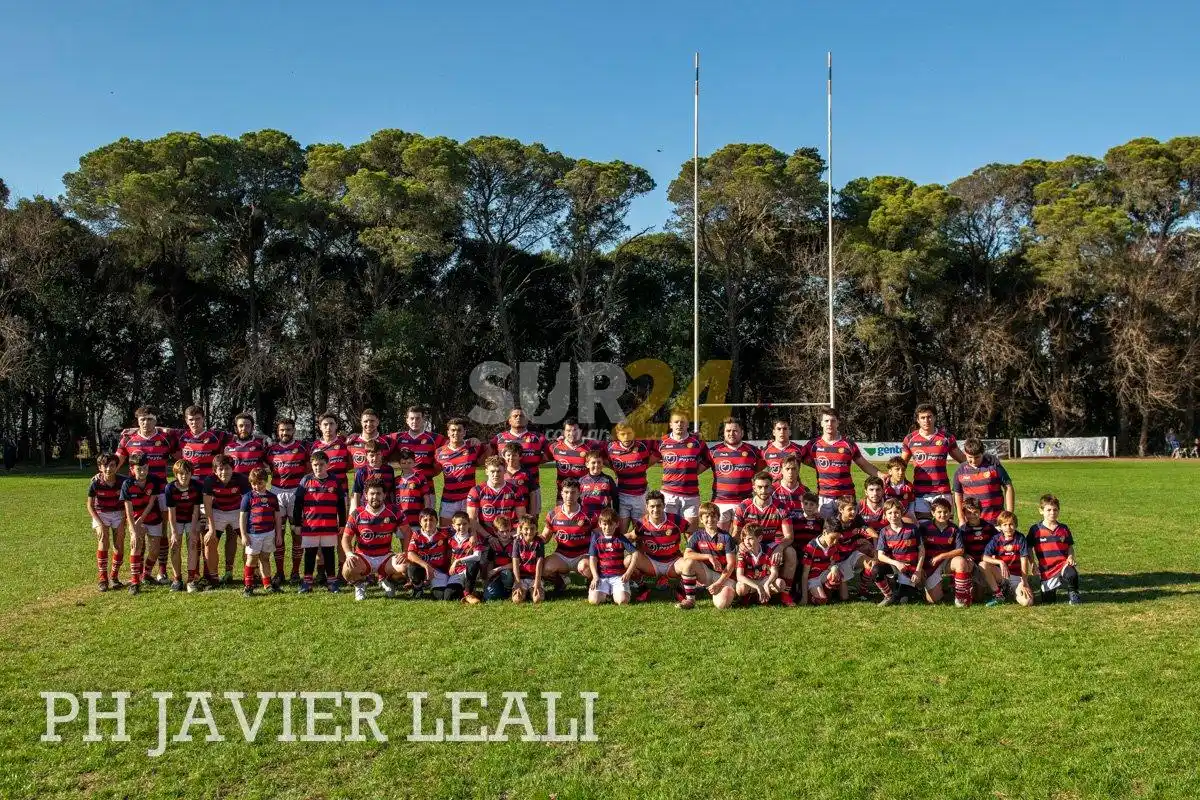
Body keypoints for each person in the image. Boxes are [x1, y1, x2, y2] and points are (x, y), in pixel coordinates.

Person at [731, 471, 796, 605]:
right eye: (760, 487)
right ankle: (747, 593)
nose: (763, 490)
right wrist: (740, 543)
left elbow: (789, 536)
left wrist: (780, 547)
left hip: (771, 544)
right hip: (750, 544)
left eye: (767, 486)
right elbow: (735, 534)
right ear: (753, 487)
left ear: (772, 487)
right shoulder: (743, 507)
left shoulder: (781, 507)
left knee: (791, 553)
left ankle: (785, 594)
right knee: (736, 552)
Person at [803, 407, 881, 518]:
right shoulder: (813, 444)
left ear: (838, 423)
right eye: (826, 421)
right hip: (825, 497)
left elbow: (863, 464)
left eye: (833, 420)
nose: (829, 423)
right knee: (828, 530)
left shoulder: (848, 444)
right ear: (821, 423)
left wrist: (881, 475)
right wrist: (818, 466)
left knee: (848, 529)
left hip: (847, 496)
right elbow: (800, 457)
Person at [340, 478, 406, 601]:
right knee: (347, 570)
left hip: (385, 557)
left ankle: (387, 580)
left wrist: (406, 552)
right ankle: (360, 585)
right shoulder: (356, 514)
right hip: (363, 556)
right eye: (372, 493)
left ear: (384, 495)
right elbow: (345, 538)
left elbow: (408, 533)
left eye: (378, 493)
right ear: (365, 495)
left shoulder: (394, 511)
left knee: (405, 567)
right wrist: (349, 554)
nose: (375, 497)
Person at [293, 450, 348, 594]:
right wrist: (297, 524)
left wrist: (342, 523)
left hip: (329, 526)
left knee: (329, 553)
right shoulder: (306, 480)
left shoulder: (335, 481)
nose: (318, 468)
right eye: (315, 465)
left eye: (321, 465)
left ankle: (332, 582)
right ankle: (307, 582)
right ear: (311, 465)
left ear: (328, 465)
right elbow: (298, 504)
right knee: (310, 554)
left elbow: (341, 504)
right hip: (310, 527)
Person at [900, 405, 966, 520]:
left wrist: (984, 460)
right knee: (924, 530)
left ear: (935, 418)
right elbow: (900, 465)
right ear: (918, 420)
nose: (926, 420)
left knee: (946, 529)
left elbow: (963, 460)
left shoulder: (946, 438)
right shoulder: (910, 439)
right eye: (923, 417)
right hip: (921, 494)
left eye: (929, 417)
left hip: (942, 491)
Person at [266, 418, 310, 584]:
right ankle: (279, 572)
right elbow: (267, 467)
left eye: (288, 430)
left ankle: (295, 572)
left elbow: (308, 467)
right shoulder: (271, 450)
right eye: (282, 430)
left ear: (294, 430)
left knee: (296, 532)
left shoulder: (302, 447)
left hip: (296, 492)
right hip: (276, 492)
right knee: (279, 533)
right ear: (278, 431)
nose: (285, 433)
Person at [627, 491, 688, 603]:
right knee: (628, 561)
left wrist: (691, 549)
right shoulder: (642, 523)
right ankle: (643, 588)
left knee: (690, 564)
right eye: (652, 506)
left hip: (673, 563)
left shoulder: (675, 520)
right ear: (646, 507)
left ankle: (681, 589)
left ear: (664, 505)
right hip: (651, 563)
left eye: (659, 505)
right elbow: (631, 536)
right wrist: (612, 537)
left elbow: (691, 532)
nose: (655, 509)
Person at [490, 408, 552, 517]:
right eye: (515, 416)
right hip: (505, 486)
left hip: (531, 487)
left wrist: (537, 460)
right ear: (509, 420)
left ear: (527, 420)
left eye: (522, 416)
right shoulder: (499, 438)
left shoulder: (538, 437)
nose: (518, 418)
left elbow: (551, 453)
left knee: (532, 521)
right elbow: (488, 456)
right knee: (505, 519)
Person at [120, 452, 165, 595]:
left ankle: (146, 573)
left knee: (154, 550)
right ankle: (135, 582)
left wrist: (141, 519)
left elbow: (152, 503)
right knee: (136, 546)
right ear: (132, 469)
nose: (143, 471)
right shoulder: (127, 484)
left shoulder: (154, 480)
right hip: (134, 520)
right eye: (139, 469)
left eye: (145, 468)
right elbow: (128, 510)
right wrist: (133, 531)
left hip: (152, 518)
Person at [539, 480, 596, 594]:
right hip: (562, 556)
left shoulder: (589, 514)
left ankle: (591, 585)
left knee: (586, 567)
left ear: (579, 493)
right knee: (544, 569)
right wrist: (530, 537)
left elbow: (599, 538)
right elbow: (545, 537)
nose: (569, 496)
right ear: (561, 493)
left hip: (582, 555)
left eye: (573, 492)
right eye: (566, 492)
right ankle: (562, 583)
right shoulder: (553, 514)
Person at [676, 502, 737, 610]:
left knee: (722, 605)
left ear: (718, 518)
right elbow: (687, 554)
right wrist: (708, 556)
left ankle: (724, 591)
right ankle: (690, 600)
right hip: (707, 574)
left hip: (724, 576)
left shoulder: (726, 537)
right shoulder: (697, 535)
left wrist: (719, 583)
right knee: (689, 562)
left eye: (713, 516)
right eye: (706, 517)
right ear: (701, 519)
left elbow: (731, 564)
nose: (710, 519)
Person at [658, 410, 713, 526]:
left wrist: (694, 472)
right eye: (676, 422)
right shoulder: (662, 442)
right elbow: (648, 458)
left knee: (690, 531)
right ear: (671, 424)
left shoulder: (697, 442)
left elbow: (708, 460)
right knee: (669, 530)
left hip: (691, 495)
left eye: (683, 422)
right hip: (669, 494)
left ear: (688, 424)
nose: (679, 424)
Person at [204, 453, 251, 585]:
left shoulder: (241, 479)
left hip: (237, 511)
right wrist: (211, 529)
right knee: (209, 541)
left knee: (250, 541)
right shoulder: (209, 481)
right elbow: (207, 505)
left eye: (228, 468)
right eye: (221, 469)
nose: (224, 472)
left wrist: (246, 525)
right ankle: (213, 577)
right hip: (218, 511)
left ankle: (251, 574)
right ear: (215, 470)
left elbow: (248, 502)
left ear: (233, 469)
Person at [709, 417, 763, 531]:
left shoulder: (753, 451)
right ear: (723, 433)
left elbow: (762, 465)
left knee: (744, 538)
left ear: (742, 433)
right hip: (720, 502)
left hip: (744, 502)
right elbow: (695, 469)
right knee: (721, 538)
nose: (731, 434)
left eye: (735, 431)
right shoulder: (713, 451)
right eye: (728, 431)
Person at [1027, 494, 1082, 605]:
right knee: (1048, 601)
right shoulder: (1035, 529)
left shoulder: (1063, 528)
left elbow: (1069, 546)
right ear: (1041, 511)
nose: (1052, 513)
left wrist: (1070, 556)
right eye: (1049, 510)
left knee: (1072, 574)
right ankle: (1051, 588)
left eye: (1055, 510)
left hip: (1062, 564)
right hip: (1047, 569)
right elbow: (1028, 547)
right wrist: (1032, 563)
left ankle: (1073, 593)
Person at [238, 467, 282, 596]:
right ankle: (248, 586)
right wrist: (244, 534)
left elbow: (277, 517)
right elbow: (242, 517)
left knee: (265, 558)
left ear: (266, 482)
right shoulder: (248, 497)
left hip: (269, 533)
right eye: (253, 483)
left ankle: (267, 584)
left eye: (260, 483)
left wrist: (278, 533)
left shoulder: (272, 497)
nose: (257, 486)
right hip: (253, 534)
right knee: (251, 560)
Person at [871, 498, 924, 606]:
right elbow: (880, 556)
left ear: (901, 513)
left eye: (896, 512)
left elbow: (922, 550)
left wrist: (918, 571)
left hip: (910, 568)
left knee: (903, 600)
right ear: (885, 515)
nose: (893, 515)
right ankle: (888, 595)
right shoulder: (884, 531)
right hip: (896, 566)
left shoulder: (912, 529)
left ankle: (909, 589)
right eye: (890, 513)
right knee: (876, 570)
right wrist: (896, 563)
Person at [605, 422, 659, 526]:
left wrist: (644, 465)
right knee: (620, 530)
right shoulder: (611, 448)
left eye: (629, 433)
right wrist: (615, 469)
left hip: (640, 495)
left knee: (640, 531)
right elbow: (601, 458)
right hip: (621, 495)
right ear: (617, 434)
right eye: (622, 434)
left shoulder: (643, 445)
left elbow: (659, 452)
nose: (626, 437)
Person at [434, 418, 486, 525]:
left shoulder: (473, 447)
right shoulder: (439, 452)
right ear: (448, 432)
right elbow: (434, 471)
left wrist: (477, 440)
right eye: (452, 430)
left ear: (464, 432)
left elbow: (489, 450)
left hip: (469, 498)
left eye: (459, 430)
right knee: (446, 531)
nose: (455, 433)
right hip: (448, 498)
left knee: (471, 530)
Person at [951, 438, 1014, 524]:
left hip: (995, 521)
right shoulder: (960, 470)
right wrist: (961, 519)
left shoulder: (994, 466)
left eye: (977, 457)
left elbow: (1008, 487)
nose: (973, 461)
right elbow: (958, 495)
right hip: (971, 522)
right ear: (965, 453)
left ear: (983, 453)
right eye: (970, 457)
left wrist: (1009, 513)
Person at [87, 453, 126, 591]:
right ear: (100, 467)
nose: (108, 469)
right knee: (103, 541)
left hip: (119, 514)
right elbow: (90, 506)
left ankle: (114, 577)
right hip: (100, 513)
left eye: (112, 466)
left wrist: (124, 519)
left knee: (119, 543)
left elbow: (129, 501)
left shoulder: (123, 481)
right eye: (105, 466)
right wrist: (100, 523)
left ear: (116, 467)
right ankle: (103, 579)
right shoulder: (95, 482)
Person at [165, 459, 203, 592]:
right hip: (177, 520)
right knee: (175, 546)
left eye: (187, 473)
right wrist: (174, 533)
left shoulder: (197, 486)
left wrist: (193, 531)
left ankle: (191, 580)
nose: (184, 476)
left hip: (192, 519)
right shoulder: (170, 488)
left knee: (193, 544)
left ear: (191, 474)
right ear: (176, 474)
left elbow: (196, 510)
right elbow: (171, 512)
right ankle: (177, 579)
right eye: (180, 473)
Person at [982, 510, 1034, 607]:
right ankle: (999, 594)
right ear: (1000, 527)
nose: (1008, 528)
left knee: (1028, 602)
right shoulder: (996, 539)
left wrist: (1024, 582)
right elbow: (984, 557)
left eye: (1011, 524)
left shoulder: (1020, 538)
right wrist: (1000, 562)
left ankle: (1011, 591)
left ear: (1016, 525)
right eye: (1005, 525)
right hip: (1001, 575)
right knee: (983, 565)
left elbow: (1024, 561)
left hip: (1017, 577)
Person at [917, 497, 963, 604]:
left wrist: (941, 556)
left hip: (946, 561)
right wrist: (920, 568)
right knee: (933, 600)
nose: (943, 515)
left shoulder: (954, 528)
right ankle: (944, 584)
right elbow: (918, 549)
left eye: (946, 512)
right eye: (939, 512)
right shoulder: (924, 527)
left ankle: (961, 597)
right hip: (930, 564)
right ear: (933, 513)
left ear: (950, 512)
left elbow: (960, 550)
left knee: (961, 562)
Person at [587, 509, 637, 605]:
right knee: (593, 601)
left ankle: (618, 591)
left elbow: (635, 553)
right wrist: (595, 577)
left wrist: (628, 573)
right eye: (604, 524)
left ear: (617, 524)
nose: (607, 527)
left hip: (618, 577)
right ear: (600, 524)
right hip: (602, 577)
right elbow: (592, 558)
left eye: (611, 524)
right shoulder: (596, 539)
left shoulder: (620, 538)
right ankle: (607, 592)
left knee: (622, 601)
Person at [466, 457, 520, 546]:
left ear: (505, 470)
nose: (496, 474)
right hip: (485, 536)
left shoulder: (515, 490)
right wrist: (488, 537)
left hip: (509, 536)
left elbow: (521, 517)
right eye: (492, 471)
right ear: (486, 471)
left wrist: (508, 535)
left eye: (499, 471)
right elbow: (472, 519)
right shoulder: (476, 491)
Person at [957, 497, 1000, 605]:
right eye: (969, 513)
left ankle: (995, 587)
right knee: (976, 597)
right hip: (971, 563)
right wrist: (965, 554)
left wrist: (994, 555)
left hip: (985, 563)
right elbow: (960, 547)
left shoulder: (989, 527)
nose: (972, 515)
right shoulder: (962, 530)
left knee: (979, 598)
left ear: (980, 512)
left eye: (975, 512)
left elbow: (998, 543)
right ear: (965, 514)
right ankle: (966, 586)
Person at [389, 405, 447, 483]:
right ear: (407, 420)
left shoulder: (436, 438)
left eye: (418, 418)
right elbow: (378, 440)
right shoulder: (398, 437)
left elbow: (455, 445)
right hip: (406, 488)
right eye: (412, 418)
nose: (414, 421)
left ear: (423, 420)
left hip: (428, 487)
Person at [405, 508, 451, 600]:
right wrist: (426, 566)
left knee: (440, 596)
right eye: (425, 520)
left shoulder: (445, 532)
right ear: (420, 522)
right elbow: (410, 554)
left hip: (439, 571)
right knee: (412, 566)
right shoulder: (417, 535)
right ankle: (418, 587)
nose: (428, 523)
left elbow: (462, 529)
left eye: (431, 520)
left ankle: (430, 585)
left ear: (437, 521)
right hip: (423, 569)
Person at [799, 519, 848, 605]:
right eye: (833, 538)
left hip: (824, 574)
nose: (835, 542)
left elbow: (832, 565)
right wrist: (804, 598)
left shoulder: (833, 546)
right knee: (822, 601)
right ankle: (809, 594)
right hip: (813, 578)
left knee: (837, 575)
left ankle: (826, 593)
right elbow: (805, 574)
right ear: (824, 532)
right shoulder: (811, 547)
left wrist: (834, 568)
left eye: (837, 538)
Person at [547, 417, 601, 492]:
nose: (572, 433)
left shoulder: (591, 447)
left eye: (575, 430)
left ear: (581, 431)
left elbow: (607, 460)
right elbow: (540, 460)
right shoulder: (554, 447)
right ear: (564, 432)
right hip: (563, 495)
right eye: (568, 430)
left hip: (585, 493)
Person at [735, 524, 785, 605]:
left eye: (750, 538)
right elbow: (739, 576)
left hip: (763, 580)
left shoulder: (768, 550)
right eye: (744, 539)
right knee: (741, 588)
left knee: (781, 583)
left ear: (759, 538)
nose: (746, 542)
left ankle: (762, 597)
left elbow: (774, 572)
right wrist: (757, 587)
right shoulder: (742, 553)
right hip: (750, 582)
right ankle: (750, 597)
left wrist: (767, 584)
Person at [446, 511, 485, 604]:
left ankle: (468, 593)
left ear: (469, 525)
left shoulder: (474, 538)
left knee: (473, 564)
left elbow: (477, 556)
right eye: (458, 524)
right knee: (449, 596)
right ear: (453, 526)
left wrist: (458, 561)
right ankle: (470, 594)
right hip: (456, 571)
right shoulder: (450, 539)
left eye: (465, 524)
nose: (462, 527)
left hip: (470, 570)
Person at [349, 440, 397, 515]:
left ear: (381, 454)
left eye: (377, 454)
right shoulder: (361, 472)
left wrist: (394, 507)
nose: (375, 458)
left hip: (386, 509)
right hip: (366, 509)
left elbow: (391, 491)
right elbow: (357, 493)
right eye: (372, 455)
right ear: (366, 456)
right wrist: (357, 510)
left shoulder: (389, 470)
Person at [511, 515, 546, 604]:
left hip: (534, 578)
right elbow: (515, 564)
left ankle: (531, 590)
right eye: (526, 528)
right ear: (521, 529)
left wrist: (537, 583)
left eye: (532, 528)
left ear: (537, 529)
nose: (529, 531)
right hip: (521, 578)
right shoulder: (517, 542)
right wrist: (518, 583)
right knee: (517, 600)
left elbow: (539, 563)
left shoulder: (539, 542)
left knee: (538, 599)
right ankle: (524, 591)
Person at [346, 408, 393, 472]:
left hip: (381, 481)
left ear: (377, 422)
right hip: (359, 481)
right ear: (361, 423)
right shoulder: (352, 442)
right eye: (366, 421)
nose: (369, 424)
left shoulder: (388, 441)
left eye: (372, 421)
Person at [482, 515, 517, 601]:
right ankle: (503, 591)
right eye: (502, 531)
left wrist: (498, 569)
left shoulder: (515, 543)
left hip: (512, 575)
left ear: (510, 530)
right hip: (497, 576)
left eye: (507, 531)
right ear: (495, 531)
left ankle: (510, 590)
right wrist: (487, 582)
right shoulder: (492, 544)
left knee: (506, 573)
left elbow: (517, 563)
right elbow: (489, 562)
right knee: (488, 597)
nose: (505, 534)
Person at [224, 413, 268, 477]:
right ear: (236, 428)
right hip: (234, 485)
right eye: (241, 426)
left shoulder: (262, 444)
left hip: (254, 486)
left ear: (252, 428)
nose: (244, 428)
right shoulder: (227, 445)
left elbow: (269, 469)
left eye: (247, 426)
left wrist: (268, 485)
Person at [500, 442, 535, 517]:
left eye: (514, 455)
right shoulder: (500, 473)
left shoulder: (526, 473)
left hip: (523, 511)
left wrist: (533, 513)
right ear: (504, 456)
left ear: (520, 457)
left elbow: (532, 494)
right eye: (508, 455)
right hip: (504, 512)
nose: (511, 458)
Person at [578, 451, 618, 517]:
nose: (596, 465)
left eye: (599, 462)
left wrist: (615, 514)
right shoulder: (581, 481)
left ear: (602, 463)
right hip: (586, 517)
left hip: (603, 518)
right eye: (593, 462)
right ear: (587, 464)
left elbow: (615, 498)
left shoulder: (608, 479)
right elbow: (577, 501)